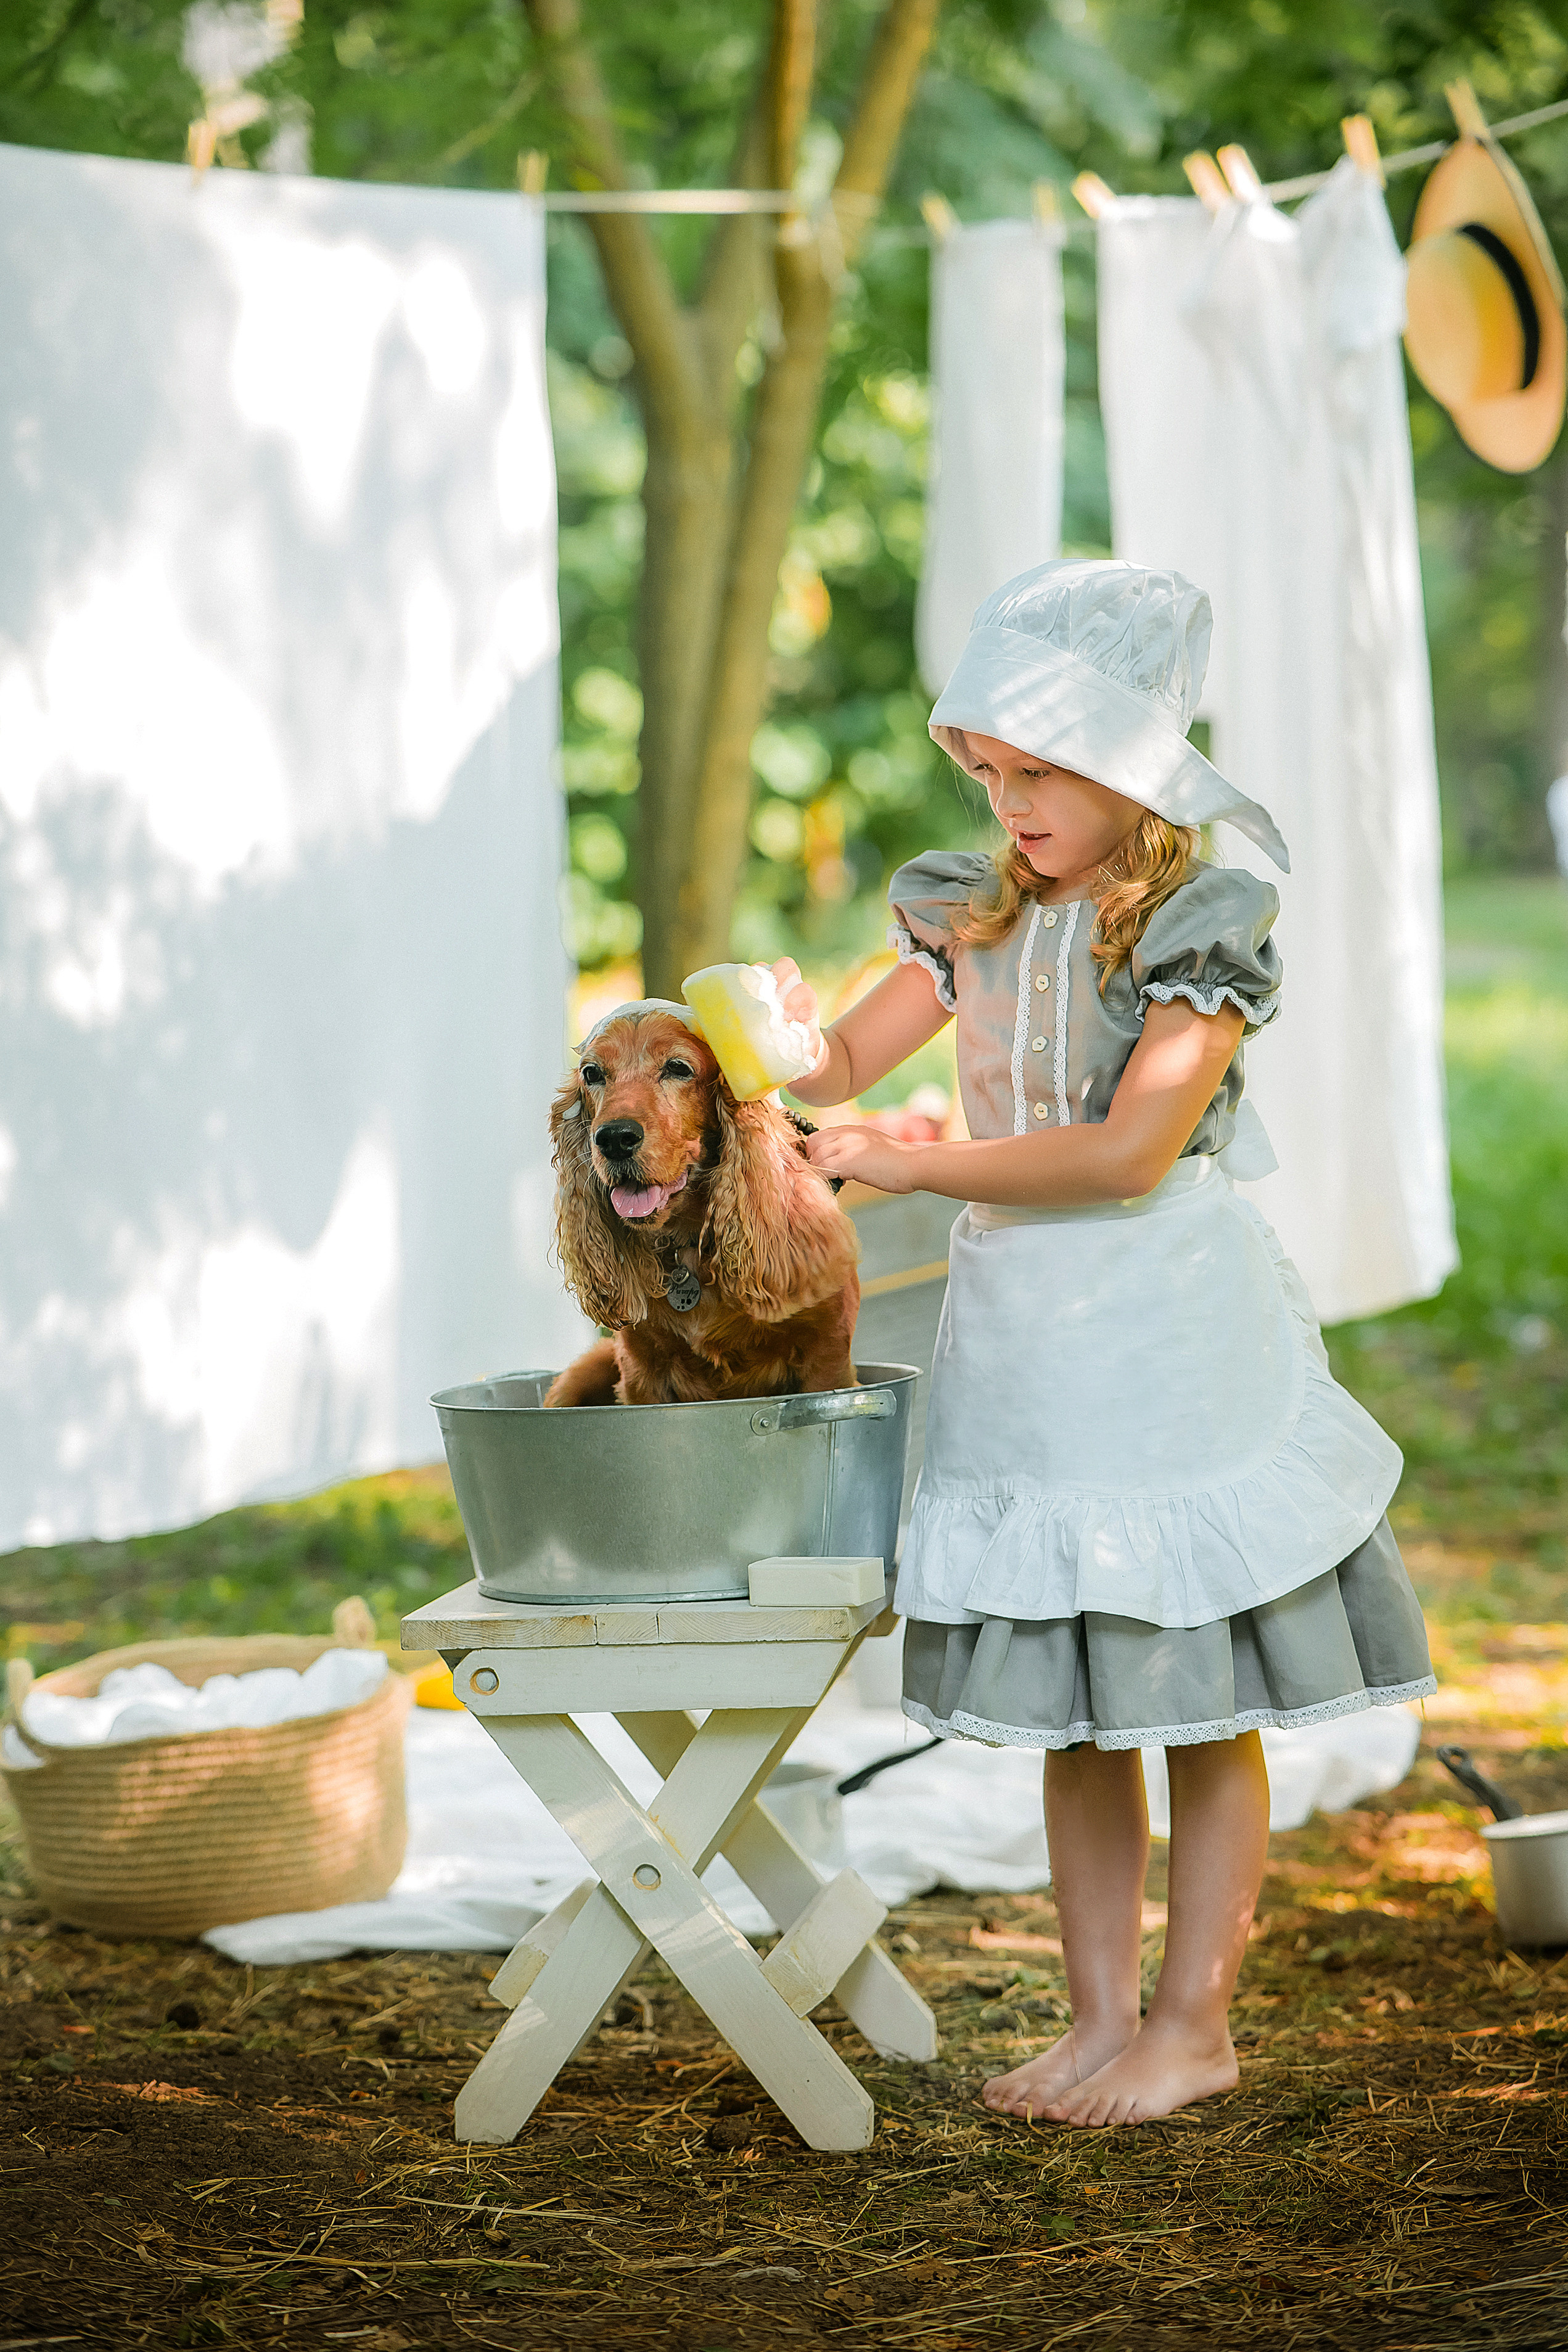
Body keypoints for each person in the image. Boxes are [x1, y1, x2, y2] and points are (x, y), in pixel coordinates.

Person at [781, 559, 1435, 2130]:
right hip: (1029, 1338)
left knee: (1192, 1686)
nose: (1009, 801)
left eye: (1042, 769)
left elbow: (1130, 1152)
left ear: (1133, 762)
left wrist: (920, 1160)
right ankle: (1097, 2016)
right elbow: (843, 1056)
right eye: (990, 769)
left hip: (1158, 1325)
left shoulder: (1198, 922)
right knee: (1078, 1695)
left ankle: (1194, 2019)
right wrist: (769, 1038)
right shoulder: (974, 904)